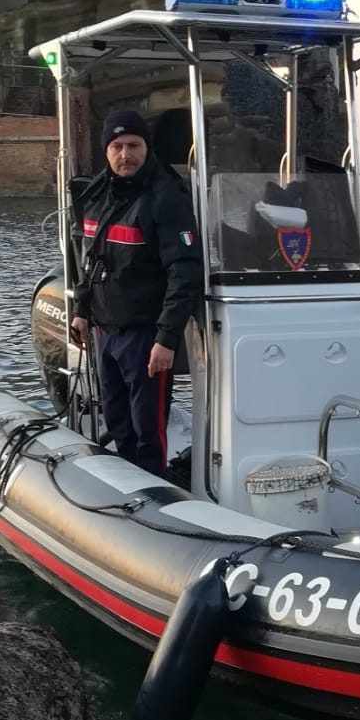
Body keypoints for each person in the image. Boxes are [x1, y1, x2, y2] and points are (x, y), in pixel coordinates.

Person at [71, 108, 202, 478]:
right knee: (116, 417)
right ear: (106, 150)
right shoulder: (99, 193)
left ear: (147, 148)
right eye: (117, 146)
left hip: (145, 335)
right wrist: (81, 309)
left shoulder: (165, 196)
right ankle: (125, 487)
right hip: (104, 331)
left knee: (149, 430)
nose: (125, 154)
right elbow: (89, 260)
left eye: (134, 145)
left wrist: (166, 338)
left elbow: (185, 271)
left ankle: (156, 493)